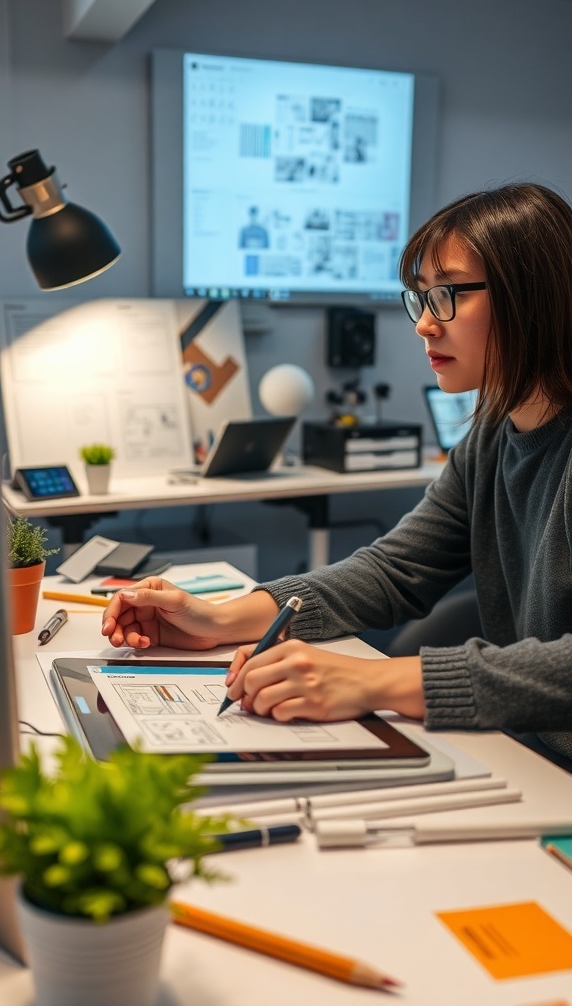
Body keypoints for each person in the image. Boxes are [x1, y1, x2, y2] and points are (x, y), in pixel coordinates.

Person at [102, 182, 572, 761]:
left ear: (533, 296)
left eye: (446, 295)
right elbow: (394, 570)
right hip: (534, 759)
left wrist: (376, 681)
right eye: (420, 298)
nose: (425, 323)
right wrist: (218, 622)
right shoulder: (493, 434)